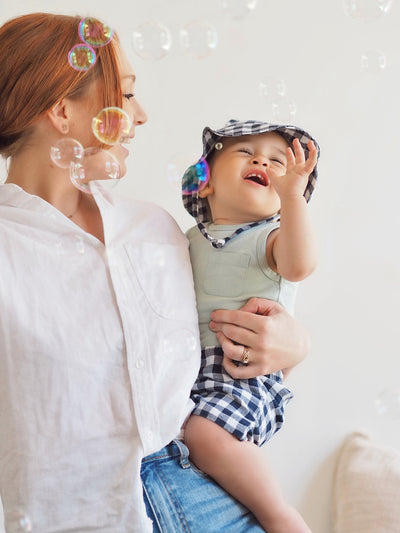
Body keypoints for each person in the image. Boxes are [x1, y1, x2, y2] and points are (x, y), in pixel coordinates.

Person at [0, 13, 311, 533]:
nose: (141, 116)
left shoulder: (157, 230)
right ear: (60, 110)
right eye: (125, 94)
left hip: (213, 501)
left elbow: (218, 362)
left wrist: (292, 348)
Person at [182, 119, 320, 533]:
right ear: (204, 184)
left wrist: (292, 197)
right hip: (192, 369)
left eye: (278, 161)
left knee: (204, 435)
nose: (262, 159)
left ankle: (279, 514)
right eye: (245, 152)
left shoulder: (271, 237)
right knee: (189, 437)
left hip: (241, 371)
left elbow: (299, 266)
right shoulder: (188, 237)